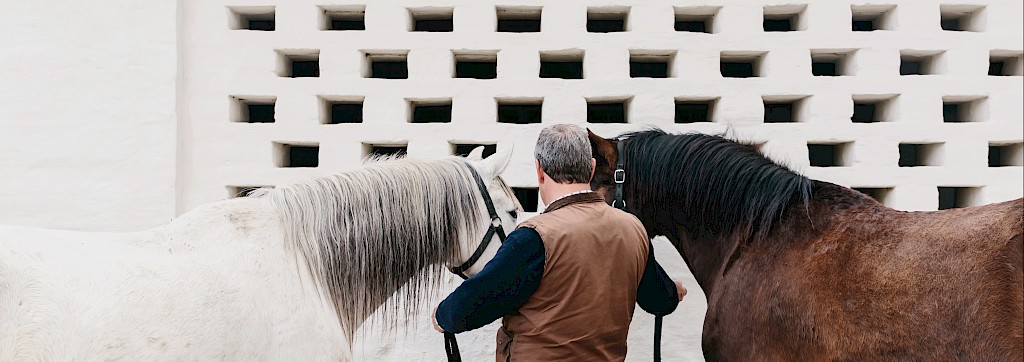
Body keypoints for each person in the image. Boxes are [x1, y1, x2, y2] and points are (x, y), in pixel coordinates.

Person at [432, 124, 685, 361]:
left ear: (540, 171)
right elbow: (660, 300)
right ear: (592, 167)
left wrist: (442, 316)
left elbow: (474, 303)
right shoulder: (633, 229)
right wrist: (674, 291)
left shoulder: (533, 237)